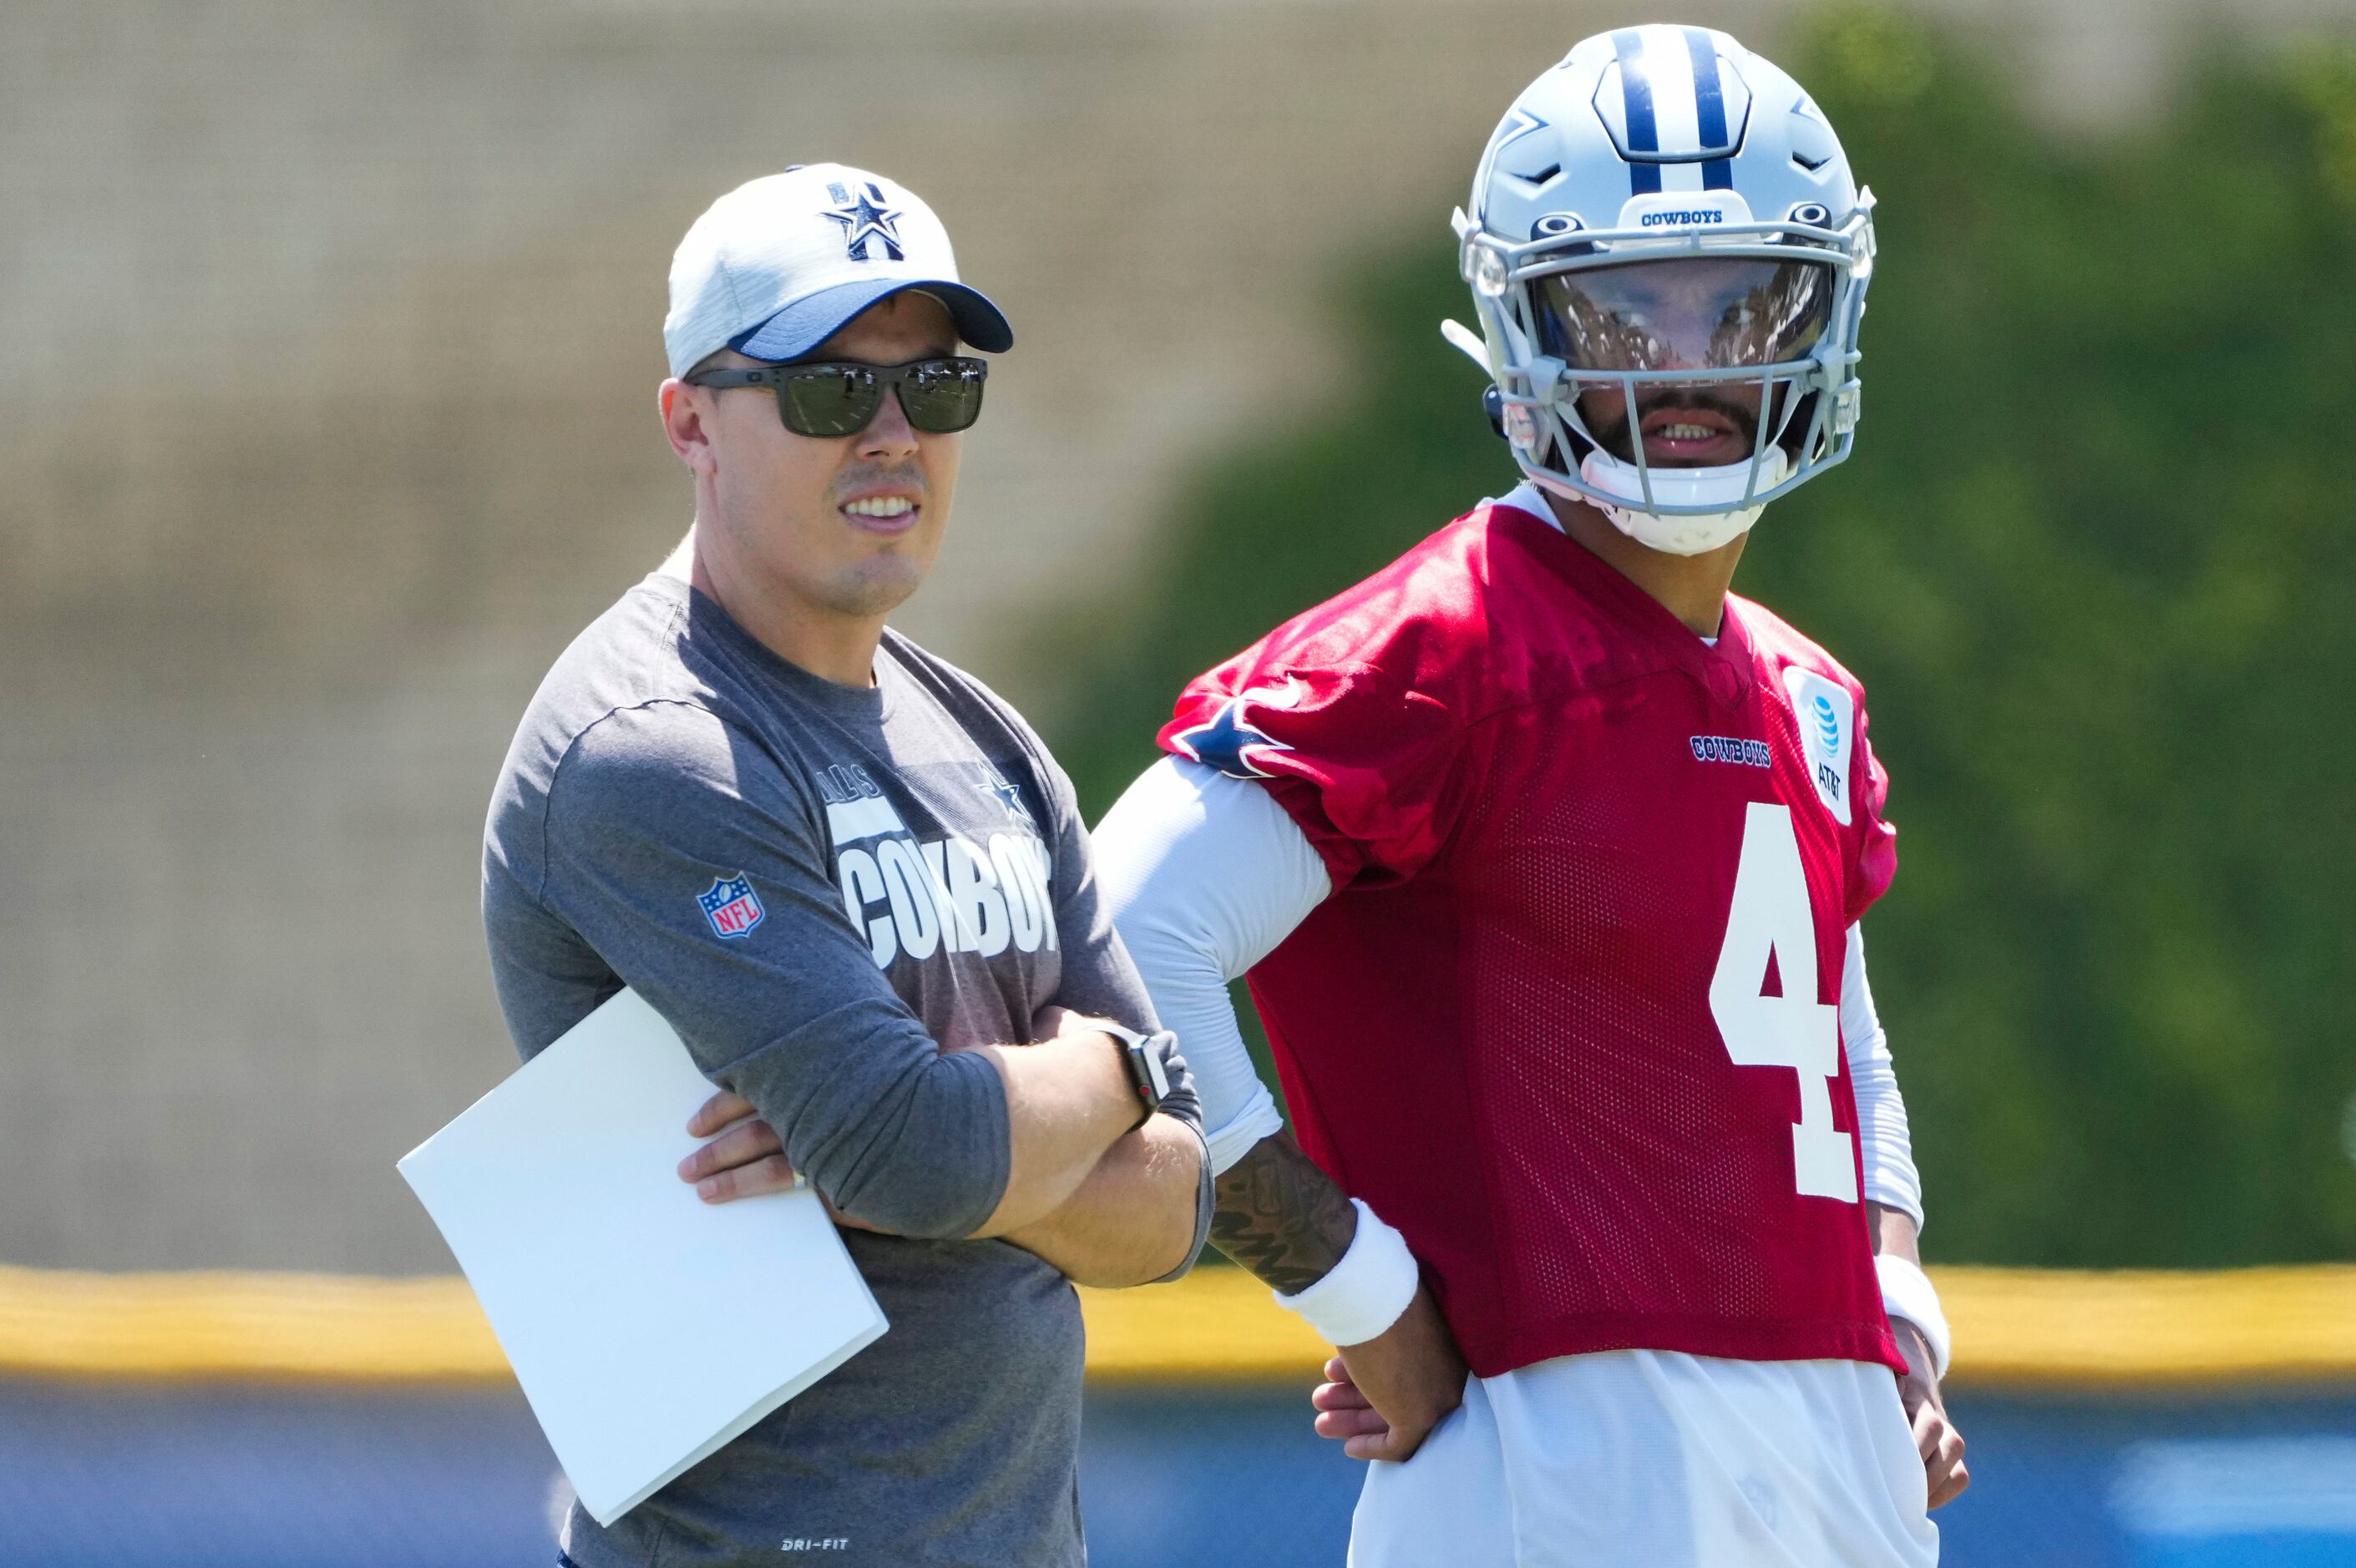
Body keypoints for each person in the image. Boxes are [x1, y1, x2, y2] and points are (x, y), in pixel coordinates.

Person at [1095, 26, 1967, 1565]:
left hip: (1826, 1472)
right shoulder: (1445, 642)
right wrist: (1364, 1297)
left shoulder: (1808, 694)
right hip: (1561, 1481)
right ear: (1520, 320)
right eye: (1624, 308)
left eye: (1744, 299)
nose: (1690, 361)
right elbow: (1118, 933)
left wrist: (1883, 1307)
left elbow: (1838, 1037)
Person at [482, 164, 1209, 1568]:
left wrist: (961, 1130)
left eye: (933, 389)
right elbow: (915, 1150)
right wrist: (1122, 1070)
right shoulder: (656, 747)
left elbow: (1176, 1205)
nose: (892, 436)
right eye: (827, 391)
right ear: (689, 420)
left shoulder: (990, 740)